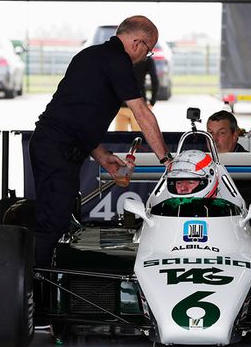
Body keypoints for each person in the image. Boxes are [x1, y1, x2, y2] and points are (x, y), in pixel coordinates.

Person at [30, 15, 171, 268]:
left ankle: (41, 280)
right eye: (148, 52)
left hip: (52, 143)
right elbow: (141, 111)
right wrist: (166, 159)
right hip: (57, 147)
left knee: (59, 218)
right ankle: (33, 291)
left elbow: (78, 114)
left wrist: (103, 157)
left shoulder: (88, 55)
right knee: (52, 223)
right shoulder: (118, 61)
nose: (144, 58)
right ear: (138, 43)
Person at [206, 110, 251, 207]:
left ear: (234, 136)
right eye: (210, 133)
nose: (214, 139)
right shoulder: (200, 161)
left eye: (221, 133)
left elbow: (248, 206)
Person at [114, 56, 159, 131]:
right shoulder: (146, 58)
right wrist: (152, 102)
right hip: (139, 106)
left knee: (120, 139)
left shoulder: (118, 58)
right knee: (138, 139)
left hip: (121, 105)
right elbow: (155, 81)